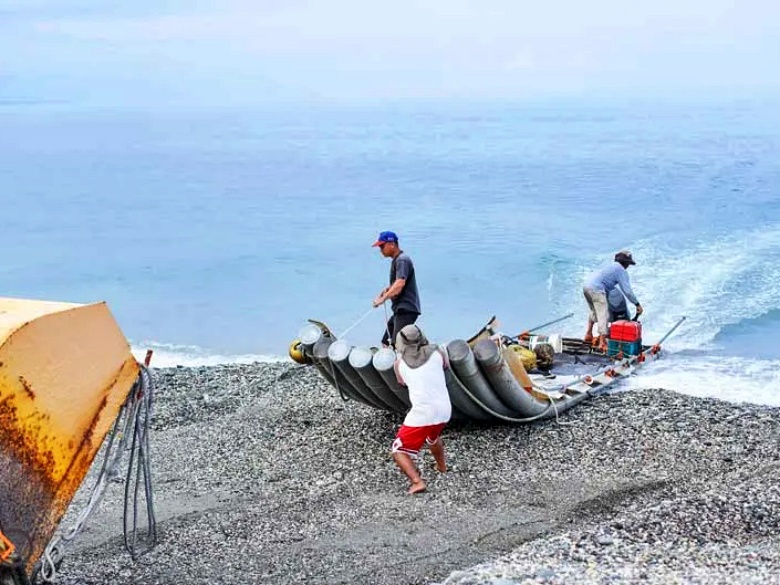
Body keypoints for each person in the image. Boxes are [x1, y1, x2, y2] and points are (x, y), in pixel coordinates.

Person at [391, 324, 451, 495]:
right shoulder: (438, 352)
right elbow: (445, 366)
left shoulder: (399, 364)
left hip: (423, 412)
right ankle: (441, 467)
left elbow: (402, 382)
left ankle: (417, 482)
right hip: (444, 409)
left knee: (398, 449)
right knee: (432, 437)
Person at [583, 250, 643, 352]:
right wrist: (637, 304)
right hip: (597, 288)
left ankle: (588, 334)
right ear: (625, 263)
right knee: (604, 315)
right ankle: (602, 343)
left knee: (594, 311)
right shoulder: (621, 270)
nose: (628, 266)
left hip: (586, 286)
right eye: (628, 264)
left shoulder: (610, 267)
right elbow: (627, 291)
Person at [372, 230, 421, 347]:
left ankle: (400, 363)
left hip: (406, 309)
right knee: (385, 341)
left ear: (392, 244)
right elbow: (397, 284)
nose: (381, 250)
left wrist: (382, 299)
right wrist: (388, 290)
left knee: (397, 344)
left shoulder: (402, 260)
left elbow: (400, 284)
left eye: (382, 246)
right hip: (399, 310)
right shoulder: (397, 260)